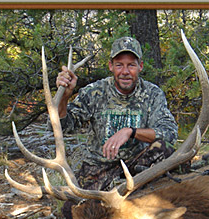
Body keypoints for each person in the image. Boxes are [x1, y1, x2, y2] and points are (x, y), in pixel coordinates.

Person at [54, 37, 178, 195]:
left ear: (140, 66)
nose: (125, 72)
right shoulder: (94, 92)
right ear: (111, 66)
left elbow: (169, 133)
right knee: (72, 210)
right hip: (99, 169)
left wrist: (130, 131)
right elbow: (62, 126)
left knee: (165, 149)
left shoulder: (152, 94)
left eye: (131, 65)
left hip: (137, 166)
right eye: (119, 65)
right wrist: (64, 96)